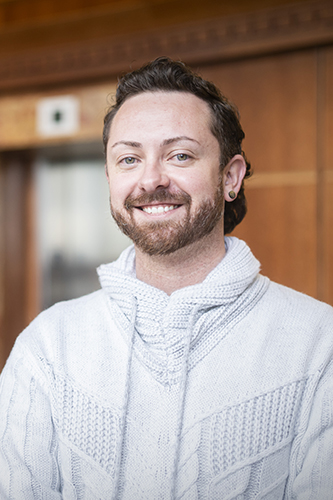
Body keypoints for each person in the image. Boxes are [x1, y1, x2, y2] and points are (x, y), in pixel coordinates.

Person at [0, 57, 332, 500]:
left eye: (180, 155)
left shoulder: (318, 344)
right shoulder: (47, 347)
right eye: (129, 159)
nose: (150, 179)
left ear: (230, 177)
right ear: (110, 177)